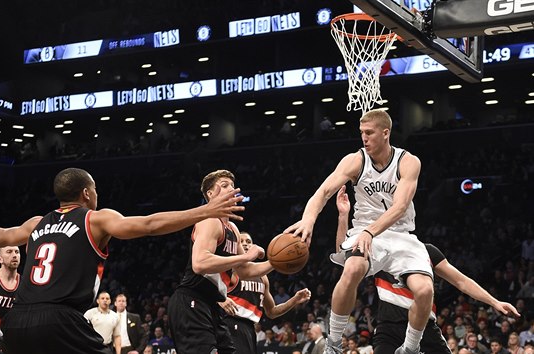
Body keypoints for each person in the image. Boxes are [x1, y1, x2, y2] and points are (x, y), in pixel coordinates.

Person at [0, 167, 245, 354]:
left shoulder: (37, 222)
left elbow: (1, 235)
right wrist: (205, 211)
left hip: (18, 321)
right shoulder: (95, 219)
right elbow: (150, 224)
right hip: (60, 320)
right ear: (87, 193)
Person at [285, 109, 434, 354]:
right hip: (365, 231)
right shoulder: (355, 160)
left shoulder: (409, 161)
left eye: (369, 133)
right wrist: (308, 220)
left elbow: (400, 207)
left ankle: (410, 348)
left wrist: (371, 232)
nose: (364, 138)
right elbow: (323, 192)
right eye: (361, 133)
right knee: (353, 268)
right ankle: (333, 344)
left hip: (399, 234)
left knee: (425, 290)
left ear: (385, 133)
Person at [334, 186, 520, 354]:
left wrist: (495, 302)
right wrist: (343, 217)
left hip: (424, 329)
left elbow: (461, 281)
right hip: (388, 329)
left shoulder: (426, 251)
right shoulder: (375, 247)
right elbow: (344, 256)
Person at [168, 169, 274, 354]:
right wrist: (247, 255)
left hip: (212, 304)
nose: (231, 189)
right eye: (224, 185)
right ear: (210, 194)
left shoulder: (232, 227)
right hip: (192, 300)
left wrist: (277, 262)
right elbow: (199, 263)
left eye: (232, 185)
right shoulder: (209, 220)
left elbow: (244, 271)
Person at [219, 231, 311, 354]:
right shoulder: (229, 269)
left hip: (249, 328)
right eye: (241, 242)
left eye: (248, 242)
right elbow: (207, 291)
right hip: (230, 323)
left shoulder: (263, 277)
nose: (245, 244)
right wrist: (220, 300)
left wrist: (294, 300)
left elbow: (272, 312)